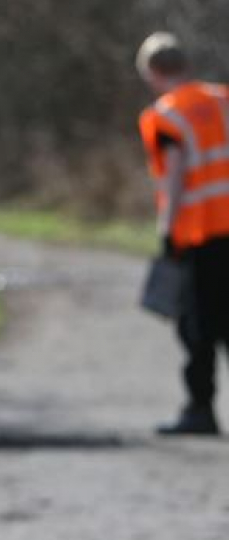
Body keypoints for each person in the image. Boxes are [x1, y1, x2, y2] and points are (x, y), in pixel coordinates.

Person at [137, 33, 229, 435]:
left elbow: (174, 175)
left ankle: (200, 409)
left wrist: (166, 229)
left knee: (198, 325)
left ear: (153, 74)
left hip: (201, 232)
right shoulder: (222, 99)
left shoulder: (167, 116)